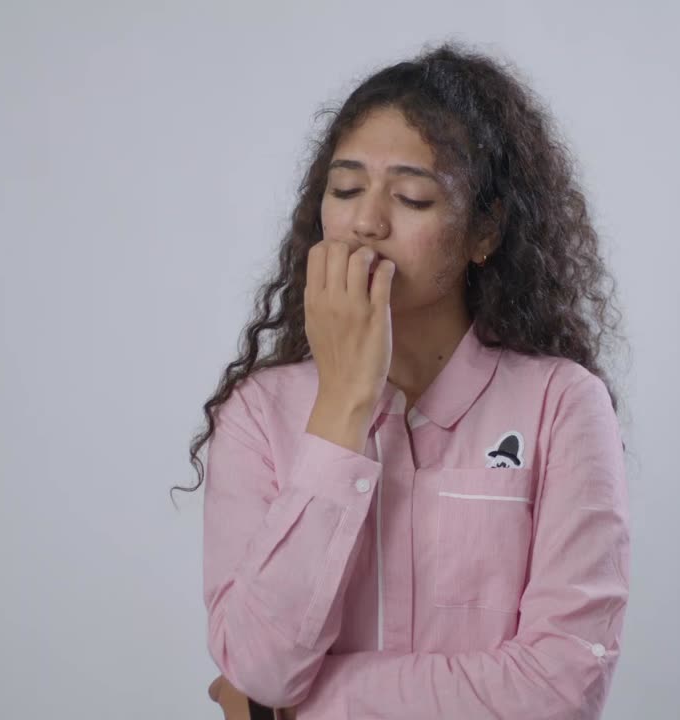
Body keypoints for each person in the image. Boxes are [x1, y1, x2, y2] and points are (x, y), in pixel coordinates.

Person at [176, 40, 632, 719]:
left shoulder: (561, 406)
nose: (367, 221)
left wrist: (290, 713)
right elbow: (260, 664)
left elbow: (561, 689)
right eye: (346, 189)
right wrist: (343, 405)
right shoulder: (258, 414)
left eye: (413, 197)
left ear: (484, 231)